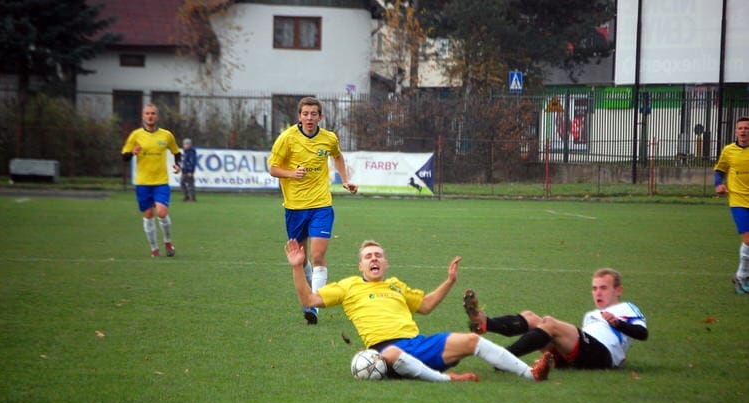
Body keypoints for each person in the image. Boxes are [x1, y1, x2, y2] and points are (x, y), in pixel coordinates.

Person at [284, 238, 552, 383]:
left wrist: (449, 282)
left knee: (472, 340)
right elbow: (308, 299)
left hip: (418, 345)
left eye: (378, 255)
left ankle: (530, 374)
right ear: (360, 266)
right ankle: (446, 380)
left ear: (386, 263)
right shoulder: (348, 286)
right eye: (368, 257)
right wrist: (298, 266)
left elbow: (425, 305)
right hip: (384, 351)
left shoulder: (395, 286)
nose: (374, 259)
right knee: (390, 352)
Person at [269, 96, 358, 325]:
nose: (309, 118)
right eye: (305, 114)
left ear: (320, 117)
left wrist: (345, 180)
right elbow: (273, 168)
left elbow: (337, 156)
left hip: (321, 205)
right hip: (295, 208)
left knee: (318, 255)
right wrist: (291, 174)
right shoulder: (287, 138)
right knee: (300, 258)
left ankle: (313, 306)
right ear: (299, 116)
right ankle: (308, 295)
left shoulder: (329, 138)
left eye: (314, 114)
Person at [462, 268, 648, 370]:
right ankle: (486, 323)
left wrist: (617, 322)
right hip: (582, 353)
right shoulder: (592, 315)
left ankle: (503, 358)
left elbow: (642, 333)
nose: (597, 293)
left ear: (618, 290)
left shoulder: (626, 308)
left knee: (549, 323)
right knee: (531, 317)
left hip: (602, 353)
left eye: (603, 288)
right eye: (594, 288)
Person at [121, 103, 181, 257]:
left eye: (153, 113)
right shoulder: (136, 135)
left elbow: (176, 151)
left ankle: (167, 241)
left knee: (161, 212)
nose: (150, 116)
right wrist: (132, 152)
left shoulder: (166, 135)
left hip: (161, 182)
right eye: (147, 113)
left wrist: (177, 164)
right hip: (143, 183)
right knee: (148, 215)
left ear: (157, 116)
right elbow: (124, 157)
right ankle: (154, 248)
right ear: (143, 116)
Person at [714, 116, 749, 294]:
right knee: (748, 239)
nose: (743, 131)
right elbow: (720, 170)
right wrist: (718, 184)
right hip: (738, 200)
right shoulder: (729, 150)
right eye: (740, 128)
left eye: (746, 128)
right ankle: (741, 275)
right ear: (736, 131)